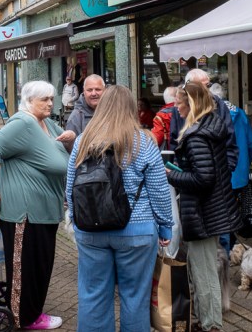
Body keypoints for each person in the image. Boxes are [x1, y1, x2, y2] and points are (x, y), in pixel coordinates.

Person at [65, 85, 173, 332]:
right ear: (131, 109)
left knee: (93, 295)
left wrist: (75, 218)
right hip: (137, 229)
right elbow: (159, 190)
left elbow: (70, 186)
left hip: (91, 229)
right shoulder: (144, 142)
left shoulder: (83, 141)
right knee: (135, 297)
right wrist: (165, 227)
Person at [0, 81, 76, 330]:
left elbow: (60, 150)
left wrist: (72, 139)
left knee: (40, 266)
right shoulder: (23, 122)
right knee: (25, 268)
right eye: (44, 99)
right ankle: (22, 319)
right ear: (28, 100)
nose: (50, 103)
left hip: (44, 211)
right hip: (24, 212)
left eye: (51, 98)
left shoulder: (46, 122)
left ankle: (33, 313)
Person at [166, 82, 242, 332]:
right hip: (212, 210)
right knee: (204, 268)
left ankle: (210, 325)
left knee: (203, 271)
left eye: (179, 103)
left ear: (192, 104)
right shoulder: (211, 128)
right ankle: (204, 320)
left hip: (202, 212)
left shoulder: (197, 135)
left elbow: (203, 178)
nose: (176, 108)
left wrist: (171, 175)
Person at [209, 83, 252, 254]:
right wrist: (246, 163)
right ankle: (230, 241)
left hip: (221, 172)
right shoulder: (240, 113)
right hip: (239, 172)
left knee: (221, 211)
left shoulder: (212, 115)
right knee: (231, 208)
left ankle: (226, 247)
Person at [168, 69, 238, 172]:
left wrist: (227, 168)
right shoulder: (180, 108)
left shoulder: (219, 105)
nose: (207, 89)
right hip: (188, 174)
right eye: (202, 86)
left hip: (215, 176)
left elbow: (230, 140)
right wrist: (177, 168)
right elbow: (175, 140)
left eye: (208, 85)